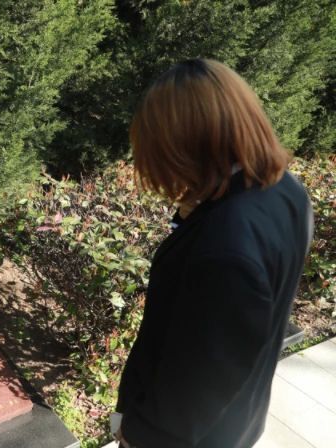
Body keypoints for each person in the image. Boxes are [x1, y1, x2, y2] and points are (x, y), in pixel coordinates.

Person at [114, 59, 314, 448]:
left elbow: (199, 385)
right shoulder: (287, 191)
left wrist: (137, 435)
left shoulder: (225, 249)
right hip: (241, 418)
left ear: (187, 147)